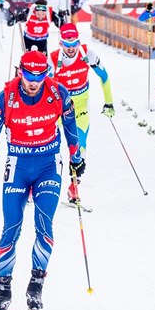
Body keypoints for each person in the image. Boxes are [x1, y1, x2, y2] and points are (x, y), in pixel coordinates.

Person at [0, 50, 85, 310]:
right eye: (28, 75)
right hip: (18, 165)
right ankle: (3, 291)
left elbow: (71, 126)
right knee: (11, 227)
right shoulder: (6, 97)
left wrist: (76, 157)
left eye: (40, 75)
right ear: (19, 71)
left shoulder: (58, 94)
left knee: (44, 223)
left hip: (48, 165)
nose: (34, 81)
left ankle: (36, 286)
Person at [48, 23, 113, 204]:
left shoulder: (88, 54)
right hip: (59, 109)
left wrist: (109, 102)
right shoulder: (53, 60)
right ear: (61, 43)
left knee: (80, 147)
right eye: (67, 45)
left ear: (78, 42)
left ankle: (74, 187)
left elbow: (104, 77)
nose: (71, 49)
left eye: (74, 44)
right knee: (48, 147)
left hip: (81, 108)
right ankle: (37, 186)